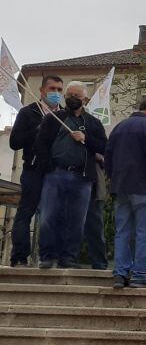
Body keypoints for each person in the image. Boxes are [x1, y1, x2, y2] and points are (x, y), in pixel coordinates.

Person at [34, 82, 107, 269]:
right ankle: (47, 256)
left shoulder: (93, 123)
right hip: (55, 174)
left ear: (84, 99)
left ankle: (69, 258)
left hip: (82, 178)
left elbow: (104, 147)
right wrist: (48, 168)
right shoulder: (53, 119)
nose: (72, 98)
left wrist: (86, 138)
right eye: (70, 94)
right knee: (48, 217)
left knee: (76, 221)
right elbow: (41, 144)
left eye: (77, 95)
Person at [105, 96, 146, 289]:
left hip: (121, 186)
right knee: (145, 232)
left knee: (122, 231)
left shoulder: (119, 127)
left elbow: (108, 156)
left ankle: (120, 273)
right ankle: (139, 275)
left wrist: (113, 178)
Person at [8, 74, 64, 266]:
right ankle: (19, 257)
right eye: (52, 89)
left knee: (54, 214)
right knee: (26, 212)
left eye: (59, 90)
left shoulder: (64, 116)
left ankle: (49, 256)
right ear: (42, 91)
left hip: (56, 171)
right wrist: (38, 129)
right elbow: (14, 142)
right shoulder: (28, 112)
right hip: (33, 170)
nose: (56, 93)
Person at [82, 155, 108, 270]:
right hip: (77, 180)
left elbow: (106, 155)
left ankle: (99, 262)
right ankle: (68, 258)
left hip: (93, 184)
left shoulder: (94, 137)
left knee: (95, 226)